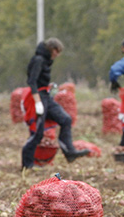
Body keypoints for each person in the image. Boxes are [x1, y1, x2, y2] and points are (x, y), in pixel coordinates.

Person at [21, 38, 89, 171]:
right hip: (38, 96)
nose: (58, 55)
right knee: (38, 132)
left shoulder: (46, 61)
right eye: (57, 52)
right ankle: (27, 163)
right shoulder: (38, 60)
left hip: (46, 95)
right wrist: (37, 102)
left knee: (65, 119)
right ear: (52, 49)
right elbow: (32, 81)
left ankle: (69, 151)